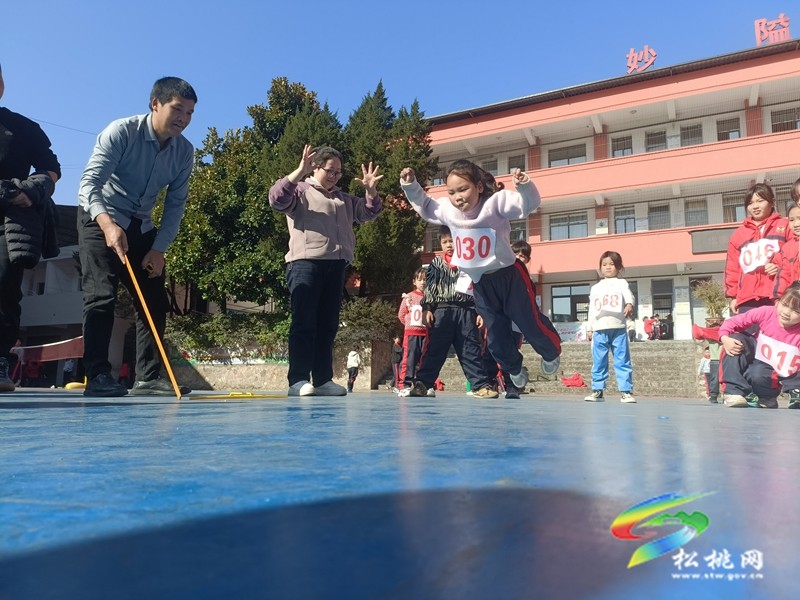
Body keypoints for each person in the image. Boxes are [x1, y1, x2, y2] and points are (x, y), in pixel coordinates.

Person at [78, 77, 197, 397]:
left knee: (154, 302)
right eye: (177, 109)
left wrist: (159, 249)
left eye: (190, 113)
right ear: (155, 104)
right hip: (98, 217)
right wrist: (107, 225)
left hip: (142, 228)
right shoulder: (121, 131)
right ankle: (98, 375)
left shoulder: (185, 153)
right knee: (101, 296)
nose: (183, 119)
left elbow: (175, 206)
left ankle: (147, 377)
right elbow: (89, 185)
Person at [400, 161, 561, 394]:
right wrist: (410, 184)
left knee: (528, 322)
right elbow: (425, 206)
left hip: (509, 277)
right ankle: (513, 367)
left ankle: (551, 351)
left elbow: (527, 206)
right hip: (481, 284)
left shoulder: (495, 204)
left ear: (478, 187)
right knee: (494, 335)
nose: (458, 197)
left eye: (463, 189)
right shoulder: (448, 210)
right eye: (452, 192)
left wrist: (525, 187)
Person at [269, 144, 383, 397]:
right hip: (305, 264)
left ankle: (322, 380)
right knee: (304, 323)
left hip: (336, 265)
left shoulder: (343, 199)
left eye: (339, 172)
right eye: (330, 170)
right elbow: (276, 199)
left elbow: (370, 212)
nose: (334, 176)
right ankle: (298, 380)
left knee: (328, 325)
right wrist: (298, 171)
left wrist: (371, 191)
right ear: (315, 167)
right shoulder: (299, 191)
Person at [0, 63, 61, 393]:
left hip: (8, 222)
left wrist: (32, 189)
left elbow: (51, 169)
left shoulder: (23, 128)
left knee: (5, 291)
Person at [398, 225, 498, 399]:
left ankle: (481, 385)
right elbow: (430, 289)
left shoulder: (469, 261)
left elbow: (479, 287)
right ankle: (423, 384)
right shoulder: (436, 264)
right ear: (440, 244)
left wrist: (481, 311)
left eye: (452, 241)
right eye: (445, 242)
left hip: (466, 311)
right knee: (434, 349)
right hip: (441, 312)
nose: (449, 245)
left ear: (459, 242)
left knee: (471, 349)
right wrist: (428, 309)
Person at [719, 281, 800, 409]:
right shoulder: (766, 312)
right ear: (777, 301)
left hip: (779, 370)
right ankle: (733, 391)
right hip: (759, 359)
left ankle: (776, 396)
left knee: (759, 372)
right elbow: (732, 322)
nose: (786, 312)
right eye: (785, 305)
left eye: (796, 310)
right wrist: (724, 337)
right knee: (736, 339)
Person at [724, 182, 788, 315]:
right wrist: (734, 296)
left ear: (772, 202)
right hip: (747, 299)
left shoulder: (785, 226)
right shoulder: (738, 234)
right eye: (750, 203)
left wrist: (778, 265)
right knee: (747, 335)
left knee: (775, 336)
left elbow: (793, 253)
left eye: (760, 201)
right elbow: (732, 268)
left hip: (778, 296)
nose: (755, 206)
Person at [584, 251, 636, 403]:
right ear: (600, 267)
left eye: (612, 264)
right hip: (599, 329)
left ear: (619, 267)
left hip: (618, 328)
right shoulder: (595, 287)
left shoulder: (622, 283)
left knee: (622, 360)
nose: (608, 267)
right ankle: (598, 390)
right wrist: (589, 328)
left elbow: (628, 295)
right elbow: (592, 309)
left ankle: (626, 391)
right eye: (604, 264)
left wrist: (629, 304)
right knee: (599, 361)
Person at [397, 268, 427, 392]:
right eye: (419, 279)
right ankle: (405, 384)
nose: (422, 282)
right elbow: (401, 314)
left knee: (425, 359)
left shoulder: (431, 297)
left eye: (425, 279)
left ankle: (423, 384)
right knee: (409, 359)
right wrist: (409, 325)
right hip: (412, 334)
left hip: (426, 333)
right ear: (414, 281)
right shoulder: (409, 296)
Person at [774, 193, 800, 293]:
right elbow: (783, 275)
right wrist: (778, 297)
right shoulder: (787, 248)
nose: (796, 224)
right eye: (792, 220)